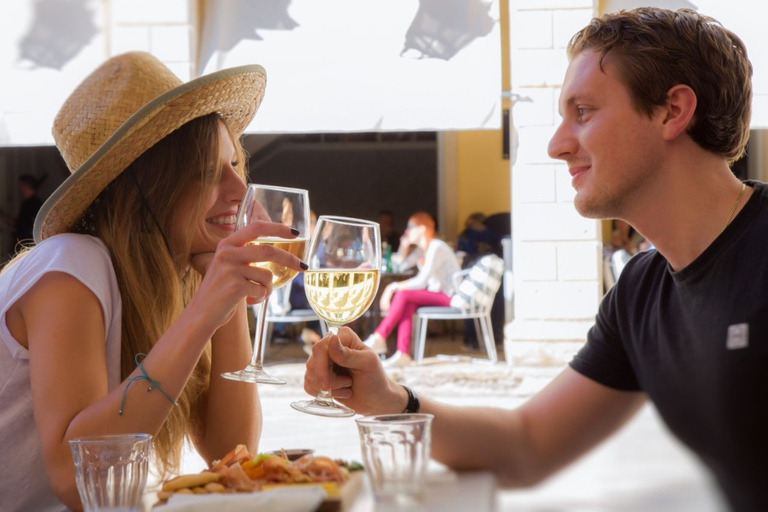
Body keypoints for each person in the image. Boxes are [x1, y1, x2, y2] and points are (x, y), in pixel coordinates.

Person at [303, 8, 765, 511]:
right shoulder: (640, 292)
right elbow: (528, 444)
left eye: (583, 111)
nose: (556, 145)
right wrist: (392, 401)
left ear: (672, 111)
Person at [0, 52, 306, 512]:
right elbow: (78, 479)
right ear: (149, 188)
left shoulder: (171, 277)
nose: (241, 192)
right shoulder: (70, 267)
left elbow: (232, 452)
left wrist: (228, 293)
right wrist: (204, 312)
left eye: (236, 166)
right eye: (207, 172)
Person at [363, 212, 460, 366]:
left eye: (410, 227)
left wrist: (391, 287)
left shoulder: (436, 246)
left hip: (450, 296)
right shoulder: (423, 249)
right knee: (407, 302)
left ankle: (380, 336)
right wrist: (404, 246)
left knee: (403, 294)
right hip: (436, 293)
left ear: (422, 228)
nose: (407, 231)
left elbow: (422, 281)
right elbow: (399, 266)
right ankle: (403, 354)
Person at [1, 173, 47, 251]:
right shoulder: (32, 202)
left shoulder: (32, 204)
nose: (19, 188)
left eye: (20, 185)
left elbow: (20, 225)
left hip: (27, 244)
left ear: (24, 185)